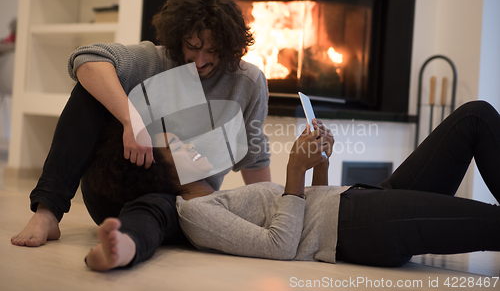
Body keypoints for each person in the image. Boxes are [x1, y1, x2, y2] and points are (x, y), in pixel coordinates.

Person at [84, 100, 500, 271]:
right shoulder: (194, 214)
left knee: (474, 116)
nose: (190, 144)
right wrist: (294, 174)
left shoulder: (220, 194)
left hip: (363, 202)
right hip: (361, 229)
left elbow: (310, 212)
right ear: (163, 174)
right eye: (177, 146)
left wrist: (318, 163)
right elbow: (281, 247)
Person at [11, 0, 271, 249]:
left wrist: (267, 213)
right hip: (114, 194)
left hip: (179, 204)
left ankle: (125, 246)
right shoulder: (156, 60)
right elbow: (86, 58)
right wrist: (131, 121)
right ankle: (47, 211)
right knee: (89, 90)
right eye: (192, 47)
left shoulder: (248, 83)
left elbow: (254, 156)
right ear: (179, 38)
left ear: (230, 47)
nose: (200, 60)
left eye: (212, 51)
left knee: (159, 209)